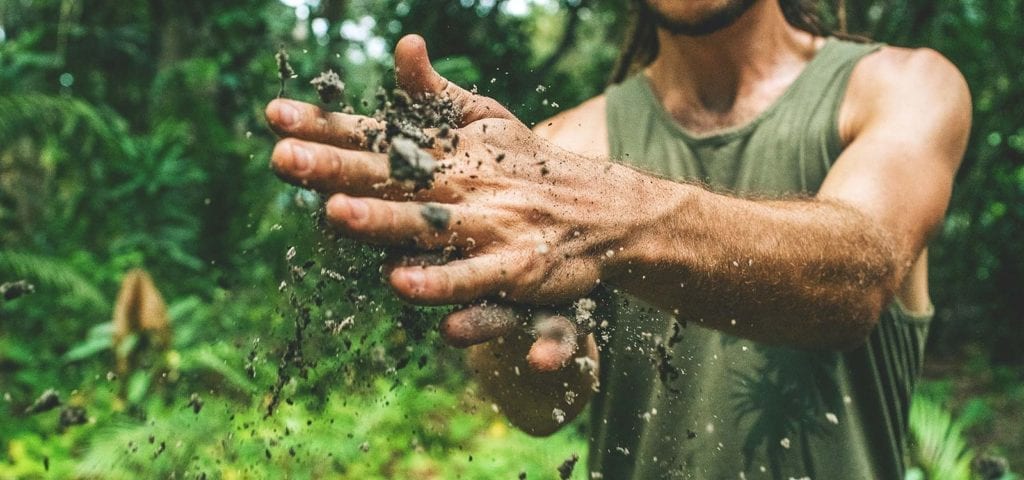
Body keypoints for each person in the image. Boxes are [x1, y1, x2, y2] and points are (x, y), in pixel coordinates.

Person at [265, 0, 971, 477]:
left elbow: (854, 278)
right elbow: (539, 411)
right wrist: (530, 325)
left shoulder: (902, 86)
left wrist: (613, 217)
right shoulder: (558, 153)